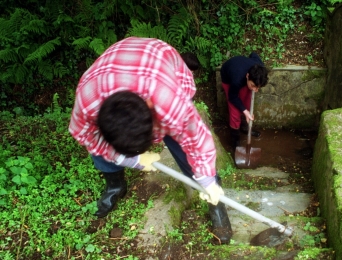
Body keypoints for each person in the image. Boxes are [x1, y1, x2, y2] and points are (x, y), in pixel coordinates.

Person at [69, 37, 232, 244]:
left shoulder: (170, 101)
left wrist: (207, 180)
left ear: (150, 109)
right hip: (111, 69)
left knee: (185, 149)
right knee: (100, 149)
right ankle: (115, 185)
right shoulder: (87, 103)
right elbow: (85, 136)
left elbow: (197, 141)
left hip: (159, 58)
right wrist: (129, 160)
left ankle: (216, 203)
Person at [220, 52, 269, 150]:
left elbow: (253, 54)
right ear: (247, 76)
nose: (255, 90)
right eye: (253, 86)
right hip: (228, 77)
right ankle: (235, 140)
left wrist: (246, 111)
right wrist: (244, 111)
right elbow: (232, 97)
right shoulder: (237, 79)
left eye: (258, 87)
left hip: (242, 75)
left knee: (246, 104)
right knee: (235, 111)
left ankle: (245, 128)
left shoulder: (259, 68)